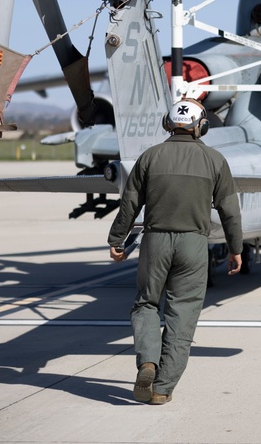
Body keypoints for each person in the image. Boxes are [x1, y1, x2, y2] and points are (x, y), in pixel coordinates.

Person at [107, 98, 243, 405]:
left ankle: (147, 363)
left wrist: (117, 239)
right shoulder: (215, 160)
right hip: (194, 245)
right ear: (201, 127)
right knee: (182, 315)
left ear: (169, 124)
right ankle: (162, 388)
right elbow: (230, 211)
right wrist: (235, 248)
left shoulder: (150, 157)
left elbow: (130, 203)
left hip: (155, 241)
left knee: (146, 304)